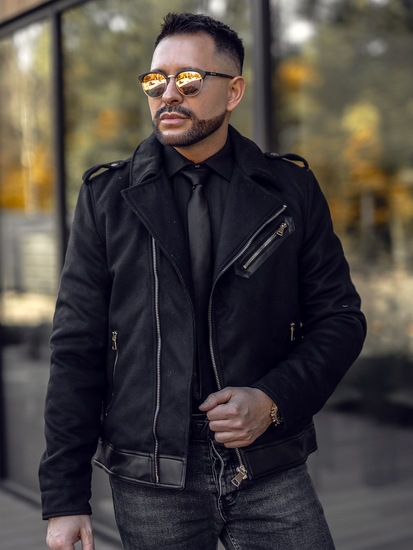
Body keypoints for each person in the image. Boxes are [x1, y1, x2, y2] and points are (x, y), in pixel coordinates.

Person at [39, 12, 366, 550]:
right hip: (151, 476)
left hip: (268, 461)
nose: (168, 94)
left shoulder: (290, 189)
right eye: (156, 80)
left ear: (233, 91)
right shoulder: (106, 198)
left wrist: (272, 399)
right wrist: (65, 497)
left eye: (188, 79)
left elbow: (341, 320)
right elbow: (76, 347)